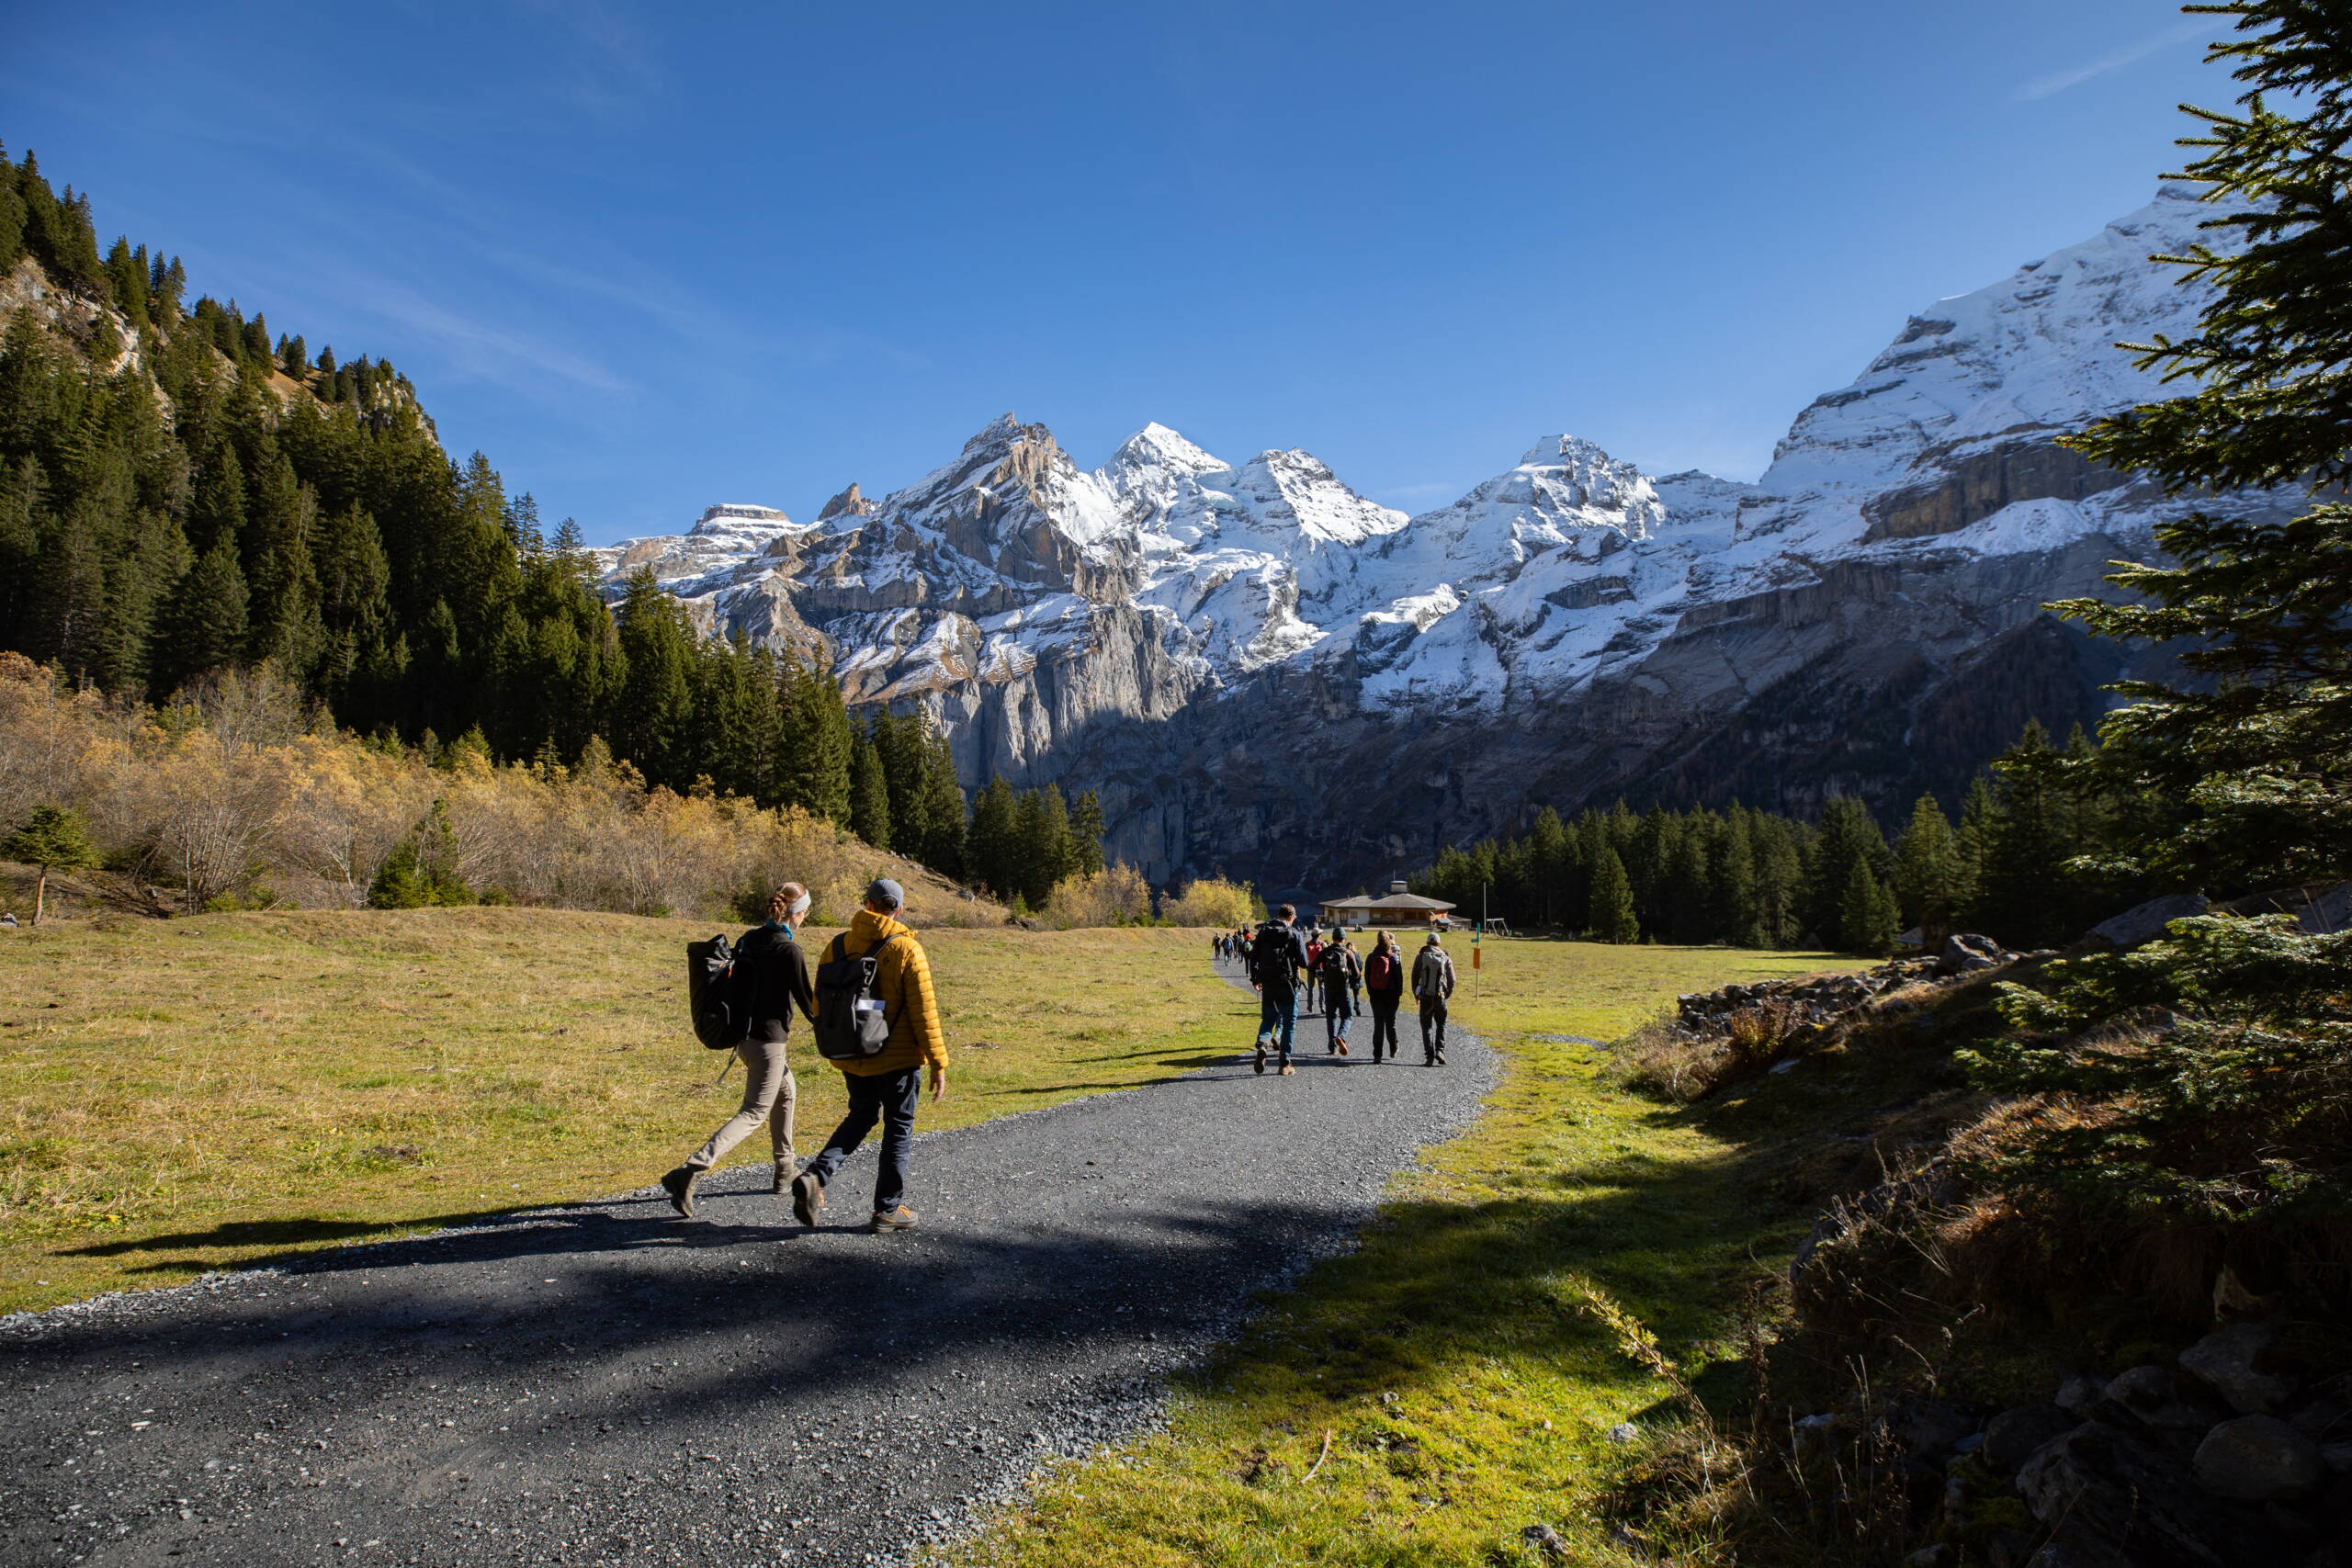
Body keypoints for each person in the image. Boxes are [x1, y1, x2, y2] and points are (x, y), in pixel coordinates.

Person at [791, 878, 948, 1233]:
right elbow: (925, 1014)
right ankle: (886, 1210)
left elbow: (820, 1006)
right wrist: (939, 1062)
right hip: (898, 1060)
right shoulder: (907, 948)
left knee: (860, 1116)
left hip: (852, 1055)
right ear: (900, 909)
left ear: (867, 904)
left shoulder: (836, 945)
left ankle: (816, 1176)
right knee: (898, 1129)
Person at [662, 882, 816, 1218]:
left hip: (743, 1039)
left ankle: (785, 1169)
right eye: (806, 911)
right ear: (797, 913)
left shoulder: (750, 939)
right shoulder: (790, 951)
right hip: (768, 1043)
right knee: (753, 1113)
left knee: (786, 1091)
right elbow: (810, 1004)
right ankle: (689, 1171)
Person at [1247, 904, 1310, 1077]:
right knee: (1289, 1024)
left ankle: (1262, 1043)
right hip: (1288, 985)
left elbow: (1253, 957)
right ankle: (1284, 1064)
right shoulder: (1294, 934)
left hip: (1268, 984)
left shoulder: (1264, 933)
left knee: (1268, 1018)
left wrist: (1255, 979)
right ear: (1292, 917)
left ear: (1278, 915)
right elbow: (1304, 962)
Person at [1411, 931, 1456, 1066]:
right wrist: (1446, 994)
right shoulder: (1446, 958)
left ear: (1427, 943)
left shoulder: (1420, 957)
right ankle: (1440, 1051)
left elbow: (1414, 978)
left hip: (1425, 996)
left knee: (1426, 1027)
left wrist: (1416, 994)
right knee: (1441, 1024)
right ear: (1439, 944)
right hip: (1440, 997)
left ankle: (1429, 1056)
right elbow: (1452, 979)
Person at [1363, 931, 1404, 1063]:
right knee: (1391, 1023)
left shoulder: (1371, 957)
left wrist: (1371, 992)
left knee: (1378, 1024)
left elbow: (1367, 976)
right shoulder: (1394, 958)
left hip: (1376, 995)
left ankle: (1377, 1054)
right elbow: (1399, 978)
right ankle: (1393, 1047)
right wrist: (1398, 994)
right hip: (1391, 996)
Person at [1318, 934, 1363, 1055]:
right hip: (1343, 989)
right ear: (1344, 939)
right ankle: (1341, 1037)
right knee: (1347, 1016)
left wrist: (1322, 974)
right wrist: (1348, 974)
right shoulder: (1347, 952)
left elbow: (1311, 967)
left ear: (1333, 938)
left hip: (1329, 989)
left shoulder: (1325, 951)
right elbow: (1357, 974)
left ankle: (1332, 1047)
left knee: (1331, 1017)